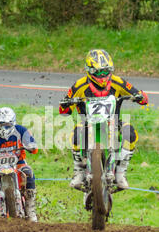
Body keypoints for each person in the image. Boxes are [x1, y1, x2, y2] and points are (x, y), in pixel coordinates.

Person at [59, 49, 149, 190]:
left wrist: (140, 96)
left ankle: (120, 172)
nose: (102, 75)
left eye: (105, 71)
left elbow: (140, 96)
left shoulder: (118, 82)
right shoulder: (79, 85)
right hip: (87, 122)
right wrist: (66, 103)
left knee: (130, 133)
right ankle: (79, 172)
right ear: (89, 70)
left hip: (113, 121)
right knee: (76, 135)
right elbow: (64, 111)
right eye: (98, 72)